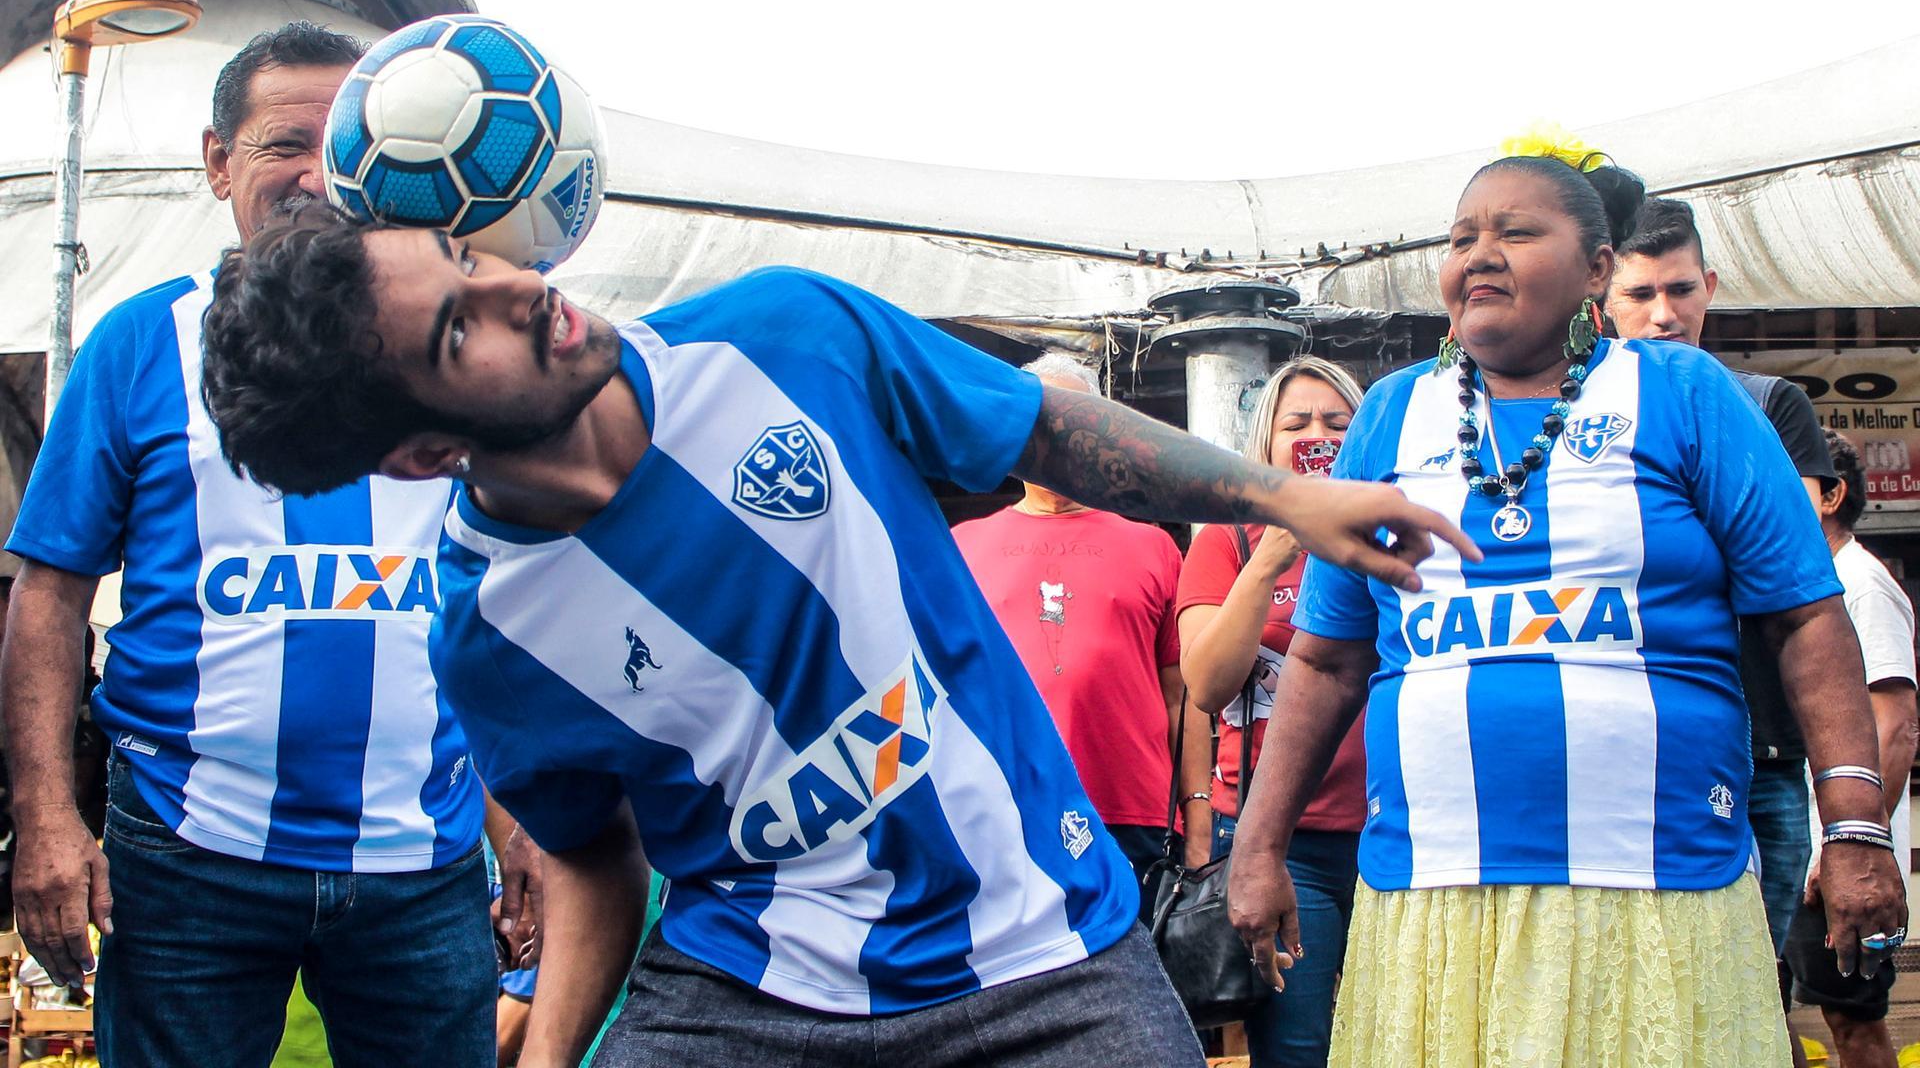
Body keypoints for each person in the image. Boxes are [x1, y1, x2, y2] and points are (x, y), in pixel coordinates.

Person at [194, 213, 1475, 1066]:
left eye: (464, 257)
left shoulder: (782, 331)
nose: (520, 285)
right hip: (746, 995)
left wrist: (1278, 496)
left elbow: (1040, 429)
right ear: (424, 451)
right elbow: (593, 858)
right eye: (458, 324)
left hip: (1044, 950)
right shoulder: (489, 635)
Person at [1225, 138, 1906, 1068]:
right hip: (1433, 891)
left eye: (1515, 232)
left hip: (1659, 883)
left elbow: (1806, 619)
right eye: (1462, 237)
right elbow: (1326, 656)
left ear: (1595, 269)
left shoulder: (1686, 394)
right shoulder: (1389, 412)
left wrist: (1858, 827)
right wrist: (1257, 846)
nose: (1480, 254)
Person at [0, 23, 508, 1065]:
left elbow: (506, 603)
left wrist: (527, 821)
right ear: (217, 161)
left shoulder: (453, 347)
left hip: (424, 855)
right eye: (284, 143)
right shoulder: (141, 342)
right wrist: (45, 814)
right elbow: (48, 593)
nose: (316, 173)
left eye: (343, 145)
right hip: (189, 854)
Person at [1608, 197, 1838, 1037]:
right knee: (1632, 994)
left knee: (1749, 996)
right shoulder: (1575, 420)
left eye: (1679, 290)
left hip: (1767, 750)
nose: (1663, 314)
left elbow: (1784, 566)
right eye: (1640, 294)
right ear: (1602, 299)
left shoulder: (1769, 402)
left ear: (1709, 285)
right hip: (1639, 748)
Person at [953, 353, 1211, 915]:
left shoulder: (1155, 547)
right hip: (1003, 810)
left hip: (1135, 815)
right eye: (1039, 421)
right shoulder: (961, 547)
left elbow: (1183, 697)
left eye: (1074, 422)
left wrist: (1198, 819)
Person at [1178, 354, 1366, 1068]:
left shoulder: (1389, 531)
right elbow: (1205, 685)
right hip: (1284, 844)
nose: (1318, 436)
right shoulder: (1227, 540)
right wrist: (1269, 558)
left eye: (1337, 423)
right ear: (1266, 443)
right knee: (1299, 1048)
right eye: (1298, 424)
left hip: (1397, 831)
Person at [1783, 429, 1918, 1068]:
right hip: (1795, 842)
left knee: (1852, 1020)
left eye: (1793, 483)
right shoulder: (1808, 582)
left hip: (1833, 856)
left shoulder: (1861, 584)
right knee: (1762, 1002)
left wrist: (1850, 844)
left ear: (1832, 496)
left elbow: (1897, 727)